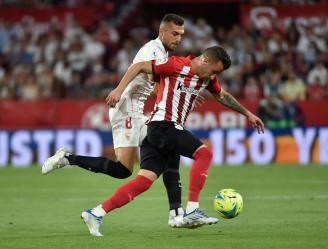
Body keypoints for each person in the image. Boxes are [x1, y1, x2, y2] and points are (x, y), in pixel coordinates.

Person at [42, 13, 215, 228]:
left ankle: (176, 213)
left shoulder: (162, 52)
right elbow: (152, 81)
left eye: (181, 34)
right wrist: (119, 89)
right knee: (123, 169)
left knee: (170, 148)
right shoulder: (153, 50)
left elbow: (155, 87)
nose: (178, 38)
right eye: (174, 33)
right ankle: (67, 158)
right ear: (162, 32)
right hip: (127, 108)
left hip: (139, 109)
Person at [80, 46, 264, 236]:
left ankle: (96, 213)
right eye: (215, 71)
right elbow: (140, 66)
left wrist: (248, 113)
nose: (214, 76)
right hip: (163, 125)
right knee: (204, 153)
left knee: (144, 180)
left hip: (158, 131)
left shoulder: (207, 78)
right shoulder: (176, 64)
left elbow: (222, 96)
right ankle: (192, 210)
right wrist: (119, 90)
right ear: (205, 60)